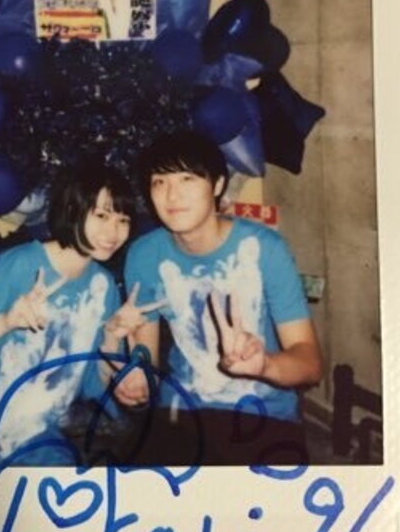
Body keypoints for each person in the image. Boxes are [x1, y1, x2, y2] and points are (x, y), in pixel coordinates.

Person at [114, 131, 323, 466]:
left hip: (264, 416)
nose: (172, 195)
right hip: (180, 414)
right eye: (159, 182)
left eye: (187, 179)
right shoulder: (144, 254)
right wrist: (137, 380)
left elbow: (310, 365)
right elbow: (145, 358)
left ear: (217, 186)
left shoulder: (265, 249)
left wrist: (264, 365)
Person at [0, 163, 135, 466]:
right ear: (72, 209)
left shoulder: (103, 287)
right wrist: (6, 321)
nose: (114, 231)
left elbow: (92, 387)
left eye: (123, 220)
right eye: (102, 216)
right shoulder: (20, 264)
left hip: (36, 437)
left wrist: (110, 342)